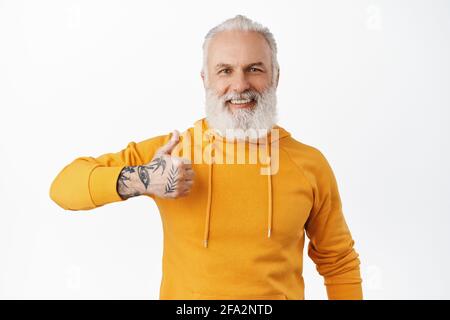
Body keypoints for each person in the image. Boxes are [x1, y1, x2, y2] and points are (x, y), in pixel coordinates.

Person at [49, 14, 363, 300]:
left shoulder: (310, 165)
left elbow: (339, 264)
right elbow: (63, 187)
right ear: (206, 80)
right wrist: (142, 179)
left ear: (276, 76)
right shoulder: (171, 154)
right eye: (225, 71)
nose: (240, 85)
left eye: (254, 69)